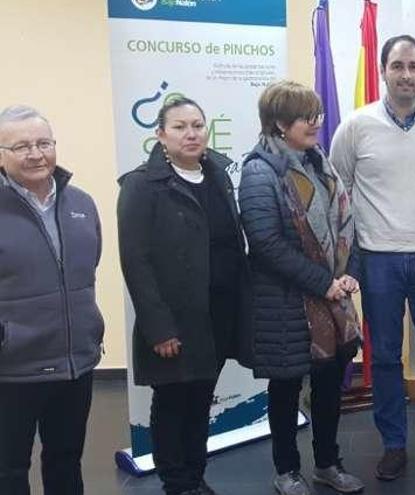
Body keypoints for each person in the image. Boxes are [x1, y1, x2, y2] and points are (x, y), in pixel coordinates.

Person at [329, 34, 415, 481]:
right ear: (383, 71)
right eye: (397, 66)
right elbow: (339, 191)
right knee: (385, 356)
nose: (406, 74)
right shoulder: (356, 125)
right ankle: (394, 444)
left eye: (414, 66)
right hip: (377, 258)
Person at [237, 81, 364, 495]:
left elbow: (346, 224)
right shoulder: (259, 171)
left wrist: (347, 274)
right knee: (287, 388)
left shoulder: (318, 162)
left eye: (317, 115)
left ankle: (327, 463)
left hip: (329, 299)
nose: (316, 123)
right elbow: (266, 244)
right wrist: (324, 282)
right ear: (278, 123)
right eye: (306, 117)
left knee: (328, 387)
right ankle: (286, 470)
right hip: (286, 302)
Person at [118, 97, 248, 495]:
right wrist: (159, 328)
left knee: (201, 399)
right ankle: (176, 482)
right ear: (160, 135)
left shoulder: (217, 175)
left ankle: (195, 475)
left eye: (197, 125)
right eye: (179, 126)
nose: (190, 133)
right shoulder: (142, 186)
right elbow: (135, 263)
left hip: (219, 314)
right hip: (175, 320)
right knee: (173, 402)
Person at [0, 105, 104, 495]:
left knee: (65, 460)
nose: (35, 153)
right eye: (21, 145)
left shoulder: (81, 203)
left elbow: (87, 269)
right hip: (13, 368)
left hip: (74, 362)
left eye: (43, 143)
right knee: (9, 470)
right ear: (1, 155)